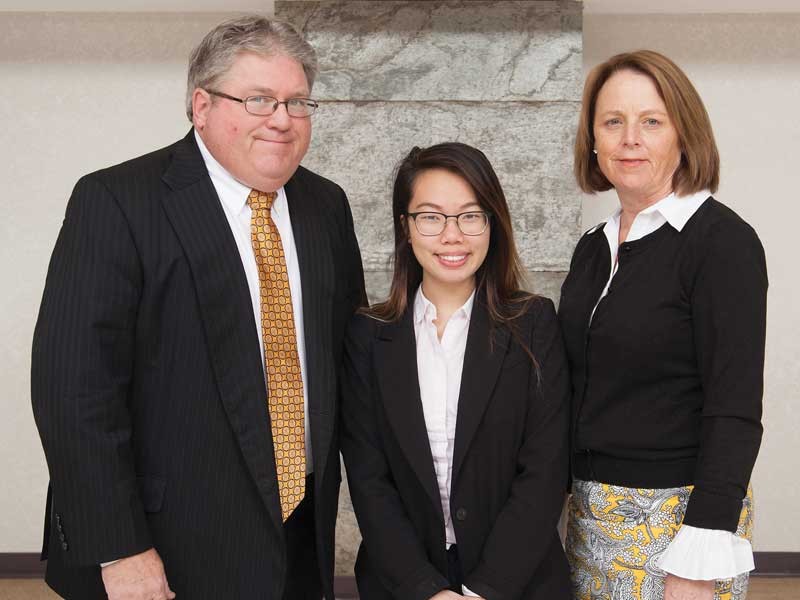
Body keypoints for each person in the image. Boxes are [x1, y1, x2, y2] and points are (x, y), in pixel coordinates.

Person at [31, 15, 365, 600]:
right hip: (163, 545)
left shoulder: (324, 206)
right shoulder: (116, 202)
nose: (282, 120)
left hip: (300, 532)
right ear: (201, 106)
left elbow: (349, 364)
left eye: (297, 102)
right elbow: (74, 393)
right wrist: (121, 548)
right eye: (259, 100)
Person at [560, 50, 767, 600]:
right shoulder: (592, 249)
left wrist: (698, 558)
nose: (630, 138)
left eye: (651, 121)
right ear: (594, 140)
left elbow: (735, 408)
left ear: (683, 134)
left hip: (678, 522)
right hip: (590, 517)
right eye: (613, 121)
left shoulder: (721, 243)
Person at [340, 142, 572, 600]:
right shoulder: (368, 336)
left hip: (517, 582)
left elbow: (545, 472)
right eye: (430, 216)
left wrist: (486, 589)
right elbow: (369, 481)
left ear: (492, 224)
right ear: (405, 228)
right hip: (403, 583)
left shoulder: (534, 323)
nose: (452, 236)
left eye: (470, 215)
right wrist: (425, 590)